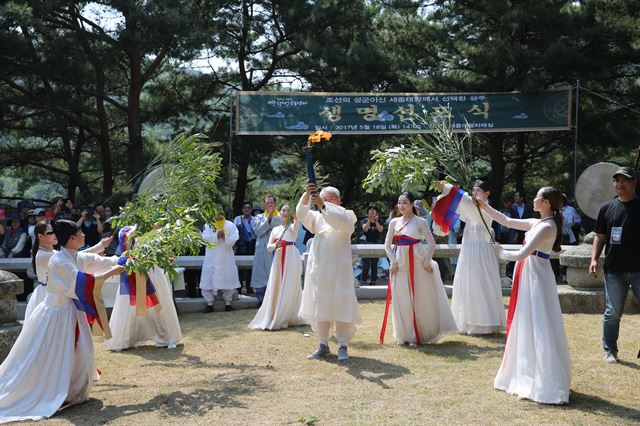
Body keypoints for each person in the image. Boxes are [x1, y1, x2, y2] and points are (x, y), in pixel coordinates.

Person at [0, 220, 124, 421]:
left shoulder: (74, 256)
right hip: (56, 315)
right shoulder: (58, 261)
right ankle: (56, 389)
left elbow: (96, 261)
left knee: (82, 351)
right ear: (72, 238)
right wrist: (112, 272)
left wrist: (122, 260)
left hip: (71, 313)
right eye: (80, 233)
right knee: (50, 355)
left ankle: (73, 390)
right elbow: (81, 283)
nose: (84, 235)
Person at [478, 186, 571, 404]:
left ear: (546, 202)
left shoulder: (547, 227)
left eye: (538, 197)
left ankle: (545, 380)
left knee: (538, 323)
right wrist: (484, 206)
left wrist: (500, 253)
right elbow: (507, 221)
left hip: (537, 277)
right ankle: (527, 373)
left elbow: (521, 254)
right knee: (527, 321)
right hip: (530, 274)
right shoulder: (537, 222)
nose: (534, 199)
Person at [381, 192, 457, 346]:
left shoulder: (420, 222)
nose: (401, 206)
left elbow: (431, 243)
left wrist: (426, 261)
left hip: (417, 262)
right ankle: (405, 334)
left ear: (411, 205)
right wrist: (393, 262)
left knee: (419, 299)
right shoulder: (394, 222)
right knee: (402, 299)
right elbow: (387, 244)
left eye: (405, 203)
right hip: (400, 264)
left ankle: (419, 334)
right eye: (399, 202)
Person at [297, 183, 361, 361]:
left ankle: (342, 345)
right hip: (320, 269)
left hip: (339, 270)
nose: (325, 202)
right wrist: (306, 194)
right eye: (323, 198)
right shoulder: (317, 217)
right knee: (321, 306)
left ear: (338, 200)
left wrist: (324, 206)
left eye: (330, 199)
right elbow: (302, 214)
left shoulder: (347, 215)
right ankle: (323, 344)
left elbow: (341, 223)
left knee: (341, 305)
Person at [435, 180, 505, 335]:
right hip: (468, 249)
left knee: (481, 284)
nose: (475, 194)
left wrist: (448, 187)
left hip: (481, 252)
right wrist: (446, 190)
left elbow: (463, 200)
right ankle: (465, 321)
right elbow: (460, 206)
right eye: (473, 190)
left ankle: (485, 323)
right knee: (466, 283)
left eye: (478, 191)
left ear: (487, 194)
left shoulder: (486, 209)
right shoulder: (472, 207)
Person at [589, 166, 640, 364]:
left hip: (639, 269)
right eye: (617, 180)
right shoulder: (606, 208)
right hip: (614, 270)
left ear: (634, 183)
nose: (620, 183)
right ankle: (610, 349)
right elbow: (600, 237)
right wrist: (594, 259)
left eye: (625, 180)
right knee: (613, 313)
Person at [106, 227, 182, 351]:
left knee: (158, 303)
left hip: (153, 270)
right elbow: (126, 251)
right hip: (135, 270)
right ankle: (125, 338)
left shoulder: (158, 229)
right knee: (129, 305)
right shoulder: (127, 231)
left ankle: (166, 335)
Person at [25, 222, 113, 325]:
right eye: (50, 232)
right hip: (48, 295)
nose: (54, 235)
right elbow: (75, 256)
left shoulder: (54, 253)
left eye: (54, 232)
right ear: (40, 236)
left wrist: (99, 248)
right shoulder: (43, 255)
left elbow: (76, 255)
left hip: (60, 294)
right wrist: (99, 246)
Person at [249, 203, 308, 330]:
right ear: (280, 212)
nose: (285, 212)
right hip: (278, 257)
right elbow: (268, 247)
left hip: (291, 256)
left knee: (290, 285)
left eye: (288, 210)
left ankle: (289, 314)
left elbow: (297, 224)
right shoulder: (275, 229)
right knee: (278, 285)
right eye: (283, 210)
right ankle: (277, 313)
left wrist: (296, 216)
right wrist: (276, 245)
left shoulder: (293, 226)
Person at [200, 212, 240, 312]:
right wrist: (215, 236)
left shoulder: (230, 225)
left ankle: (228, 302)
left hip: (226, 256)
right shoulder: (208, 225)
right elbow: (204, 238)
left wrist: (225, 237)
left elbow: (235, 238)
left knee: (228, 277)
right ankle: (209, 303)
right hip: (211, 256)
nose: (218, 214)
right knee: (208, 278)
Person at [251, 195, 282, 307]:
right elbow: (258, 231)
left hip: (275, 248)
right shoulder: (258, 217)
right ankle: (261, 299)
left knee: (275, 273)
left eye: (271, 203)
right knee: (261, 274)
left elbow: (281, 227)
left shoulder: (281, 216)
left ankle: (275, 299)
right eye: (267, 203)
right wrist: (268, 220)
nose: (269, 205)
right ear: (264, 205)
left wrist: (271, 219)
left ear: (275, 204)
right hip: (261, 249)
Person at [234, 202, 258, 294]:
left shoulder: (255, 219)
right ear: (242, 209)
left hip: (252, 244)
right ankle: (239, 288)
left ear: (251, 210)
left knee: (251, 267)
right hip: (241, 245)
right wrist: (242, 224)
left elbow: (256, 231)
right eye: (244, 208)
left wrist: (249, 224)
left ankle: (249, 287)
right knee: (239, 267)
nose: (246, 209)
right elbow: (234, 230)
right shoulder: (237, 219)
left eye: (248, 208)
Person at [360, 205, 384, 286]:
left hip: (376, 244)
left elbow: (380, 229)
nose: (372, 213)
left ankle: (373, 281)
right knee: (366, 264)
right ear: (367, 213)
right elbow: (365, 229)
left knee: (374, 264)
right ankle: (363, 280)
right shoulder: (364, 220)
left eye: (374, 212)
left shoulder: (379, 221)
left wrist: (376, 221)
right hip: (366, 245)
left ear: (377, 213)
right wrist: (369, 221)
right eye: (370, 212)